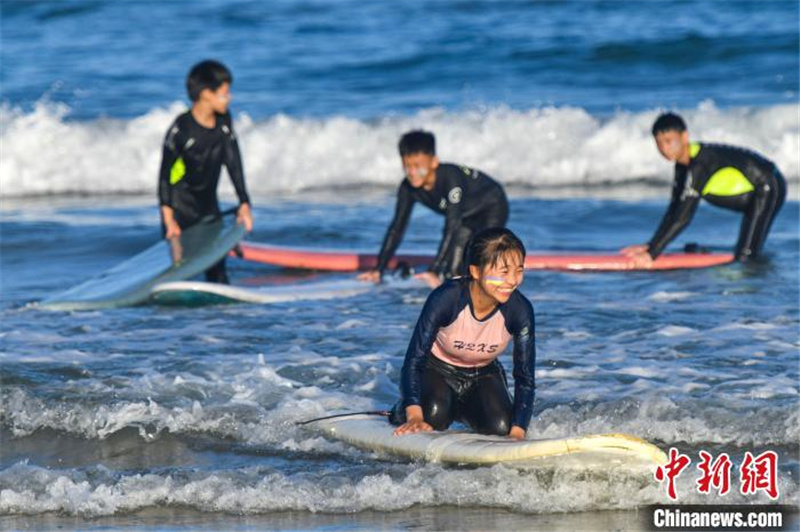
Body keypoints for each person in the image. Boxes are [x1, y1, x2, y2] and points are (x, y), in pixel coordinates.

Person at [390, 227, 535, 440]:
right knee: (433, 416)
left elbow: (525, 377)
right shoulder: (446, 299)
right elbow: (414, 360)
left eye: (519, 271)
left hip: (483, 374)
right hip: (436, 369)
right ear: (476, 272)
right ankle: (401, 409)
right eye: (503, 272)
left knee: (501, 427)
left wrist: (518, 432)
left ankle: (461, 408)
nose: (513, 281)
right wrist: (413, 416)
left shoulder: (520, 310)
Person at [622, 112, 786, 266]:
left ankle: (757, 289)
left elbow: (684, 217)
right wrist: (651, 245)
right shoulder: (683, 166)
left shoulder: (699, 166)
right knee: (749, 249)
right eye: (659, 143)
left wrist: (652, 254)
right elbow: (674, 208)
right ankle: (759, 264)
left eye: (668, 141)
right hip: (756, 191)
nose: (664, 148)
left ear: (684, 136)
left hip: (768, 186)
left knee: (746, 256)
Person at [358, 130, 509, 288]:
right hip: (464, 215)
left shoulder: (451, 178)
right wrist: (378, 269)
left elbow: (451, 226)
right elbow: (397, 228)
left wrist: (434, 269)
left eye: (418, 166)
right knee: (454, 272)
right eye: (407, 166)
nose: (412, 173)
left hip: (492, 205)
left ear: (434, 162)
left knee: (480, 259)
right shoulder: (407, 188)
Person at [158, 60, 254, 284]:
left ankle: (217, 318)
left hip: (209, 206)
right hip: (180, 209)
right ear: (206, 94)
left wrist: (244, 202)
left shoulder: (223, 122)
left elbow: (233, 160)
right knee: (181, 272)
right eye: (224, 93)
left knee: (217, 272)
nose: (228, 98)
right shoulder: (181, 130)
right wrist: (168, 219)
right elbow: (165, 177)